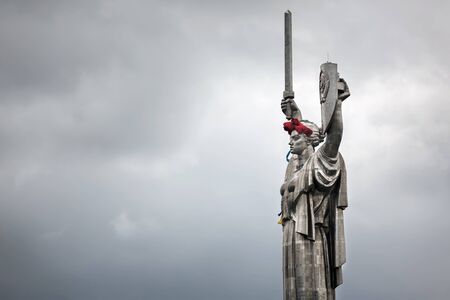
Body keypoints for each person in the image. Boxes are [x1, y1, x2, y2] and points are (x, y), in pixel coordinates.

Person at [279, 79, 350, 300]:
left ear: (308, 140)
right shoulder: (295, 166)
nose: (290, 142)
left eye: (295, 138)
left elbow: (334, 137)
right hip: (291, 230)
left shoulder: (320, 162)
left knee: (311, 287)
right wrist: (294, 113)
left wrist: (335, 104)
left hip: (310, 235)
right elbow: (299, 127)